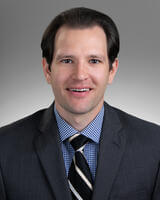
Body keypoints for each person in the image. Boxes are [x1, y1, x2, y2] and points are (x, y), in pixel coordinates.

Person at [0, 7, 160, 200]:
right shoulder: (4, 148)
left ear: (112, 70)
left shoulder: (154, 146)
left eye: (94, 60)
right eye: (67, 60)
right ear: (47, 69)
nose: (80, 75)